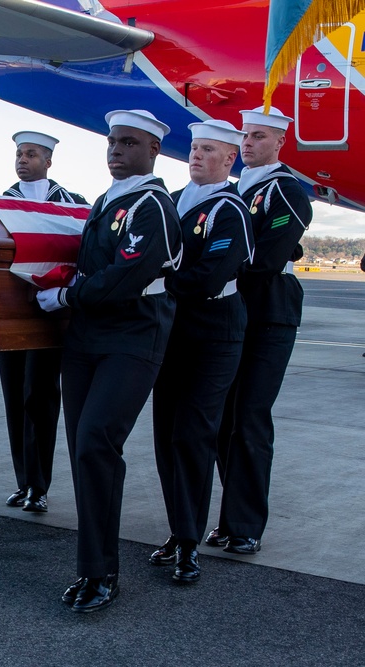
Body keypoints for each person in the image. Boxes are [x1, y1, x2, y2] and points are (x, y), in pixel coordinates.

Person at [36, 110, 182, 612]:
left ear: (153, 151)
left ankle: (102, 573)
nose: (116, 150)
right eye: (112, 142)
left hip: (133, 335)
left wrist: (69, 296)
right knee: (82, 450)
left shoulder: (154, 204)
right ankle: (92, 566)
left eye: (129, 143)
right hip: (87, 339)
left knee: (97, 442)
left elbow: (129, 272)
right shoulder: (106, 201)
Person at [149, 120, 253, 583]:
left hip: (214, 330)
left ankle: (190, 544)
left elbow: (210, 277)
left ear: (229, 159)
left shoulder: (230, 209)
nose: (195, 156)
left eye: (207, 150)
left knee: (193, 435)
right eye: (193, 148)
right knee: (166, 433)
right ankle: (178, 528)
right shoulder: (173, 201)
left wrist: (153, 281)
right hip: (172, 329)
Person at [208, 107, 312, 555]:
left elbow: (267, 259)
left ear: (279, 143)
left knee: (249, 416)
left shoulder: (287, 191)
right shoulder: (231, 192)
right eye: (245, 136)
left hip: (268, 312)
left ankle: (246, 524)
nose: (249, 143)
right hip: (231, 311)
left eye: (260, 137)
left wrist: (213, 272)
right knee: (224, 418)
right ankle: (231, 519)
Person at [0, 131, 87, 513]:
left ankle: (39, 484)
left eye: (31, 154)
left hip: (50, 315)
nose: (22, 159)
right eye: (19, 153)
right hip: (10, 315)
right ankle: (23, 480)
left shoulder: (72, 204)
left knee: (41, 398)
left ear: (48, 161)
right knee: (15, 398)